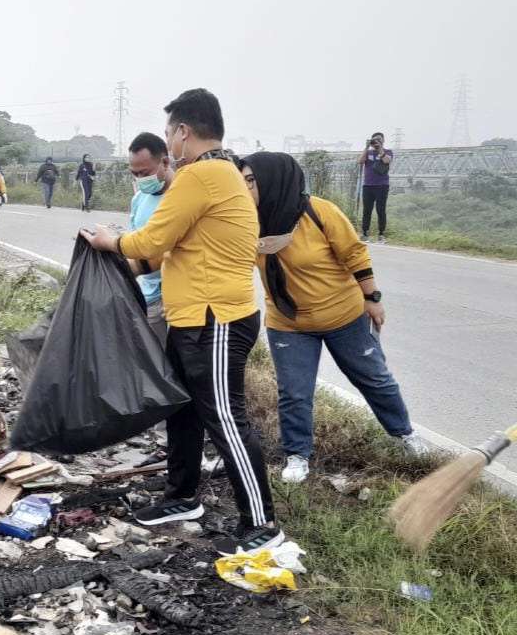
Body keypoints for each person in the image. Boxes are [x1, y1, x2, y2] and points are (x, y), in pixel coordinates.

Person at [82, 88, 282, 557]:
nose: (169, 139)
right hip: (195, 317)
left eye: (170, 131)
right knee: (183, 409)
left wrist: (112, 241)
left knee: (226, 419)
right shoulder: (224, 173)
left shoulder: (201, 176)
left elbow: (150, 239)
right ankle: (182, 497)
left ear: (183, 131)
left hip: (216, 320)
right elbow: (175, 251)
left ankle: (262, 523)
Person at [239, 152, 425, 482]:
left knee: (375, 379)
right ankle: (297, 455)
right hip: (289, 324)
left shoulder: (318, 211)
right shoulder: (245, 221)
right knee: (294, 392)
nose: (245, 186)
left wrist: (372, 299)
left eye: (251, 180)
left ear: (274, 181)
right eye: (242, 180)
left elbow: (355, 253)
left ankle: (405, 435)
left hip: (344, 316)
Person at [126, 132, 174, 346]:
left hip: (178, 297)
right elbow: (135, 244)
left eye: (144, 173)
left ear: (165, 162)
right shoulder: (138, 200)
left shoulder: (182, 196)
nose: (139, 179)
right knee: (159, 364)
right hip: (150, 298)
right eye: (134, 174)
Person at [357, 132, 392, 242]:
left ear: (383, 141)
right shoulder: (368, 152)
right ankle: (365, 233)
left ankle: (381, 235)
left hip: (382, 186)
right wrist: (367, 147)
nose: (377, 142)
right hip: (368, 185)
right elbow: (360, 161)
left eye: (379, 140)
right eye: (375, 140)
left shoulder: (387, 152)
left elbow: (386, 160)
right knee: (367, 210)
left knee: (381, 210)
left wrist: (380, 148)